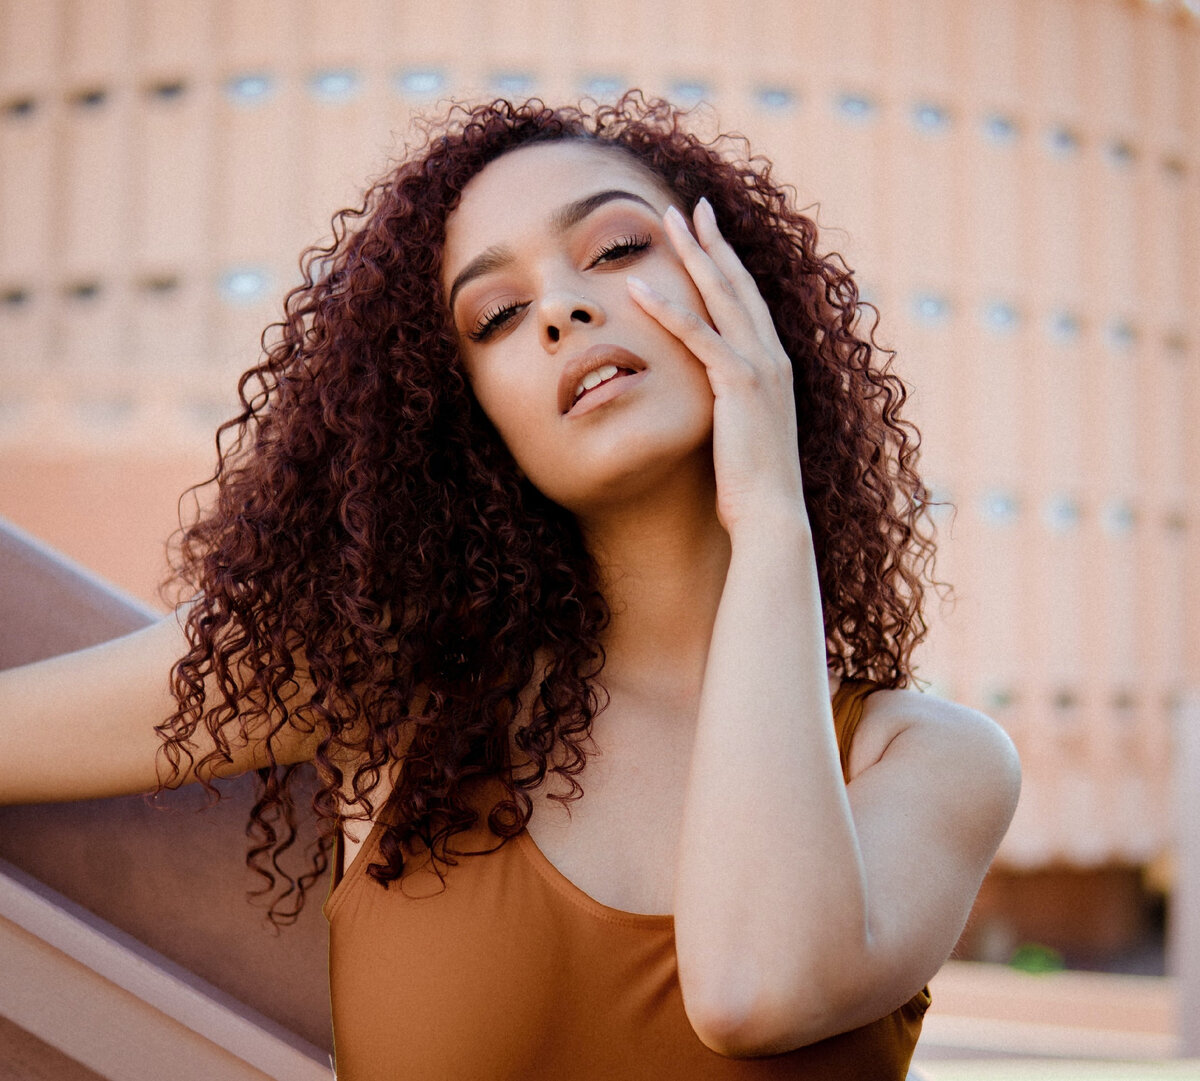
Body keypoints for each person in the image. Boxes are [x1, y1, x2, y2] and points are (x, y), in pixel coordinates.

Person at [0, 93, 1020, 1078]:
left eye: (617, 249)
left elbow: (757, 990)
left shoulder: (929, 760)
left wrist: (768, 513)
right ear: (466, 413)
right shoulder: (396, 689)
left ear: (738, 286)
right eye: (496, 315)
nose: (564, 309)